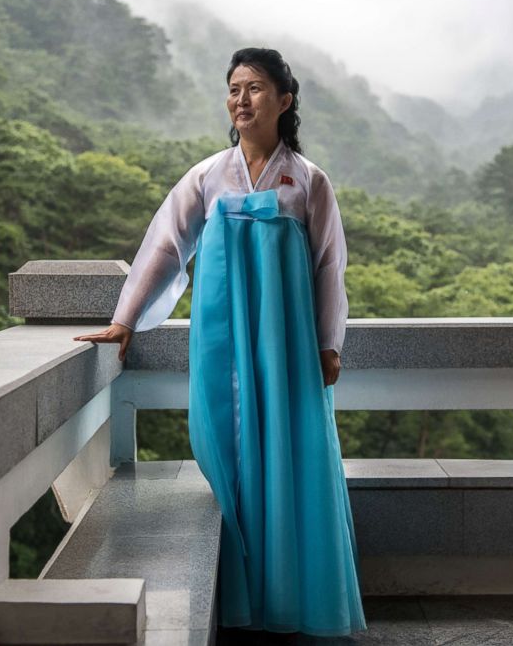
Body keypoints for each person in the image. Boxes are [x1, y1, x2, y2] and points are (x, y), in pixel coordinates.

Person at [73, 47, 367, 638]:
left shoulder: (308, 182)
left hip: (285, 348)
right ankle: (238, 595)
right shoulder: (207, 176)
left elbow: (329, 267)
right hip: (220, 343)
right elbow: (164, 247)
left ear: (284, 101)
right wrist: (125, 321)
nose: (241, 99)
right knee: (223, 448)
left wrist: (328, 344)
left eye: (255, 88)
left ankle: (285, 600)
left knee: (288, 458)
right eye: (234, 88)